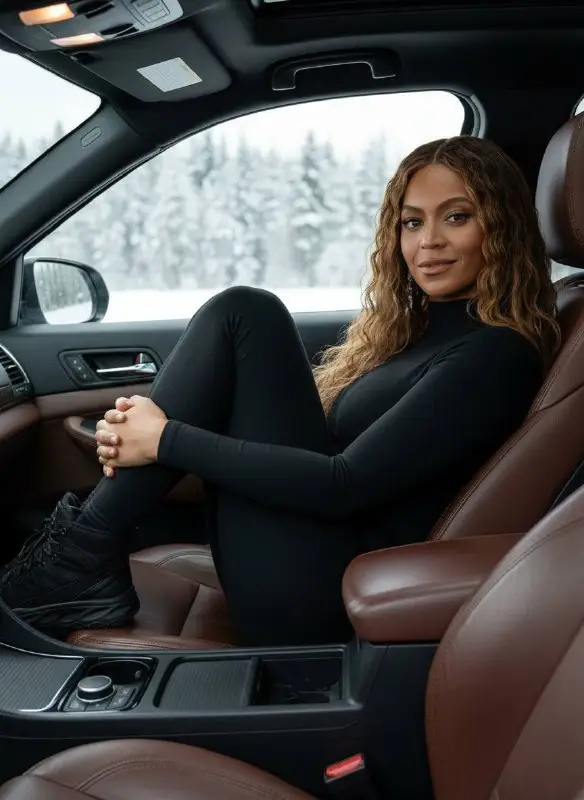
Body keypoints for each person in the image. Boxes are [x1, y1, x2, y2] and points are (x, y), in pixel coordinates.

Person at [0, 136, 560, 647]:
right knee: (242, 315)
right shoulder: (417, 331)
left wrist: (165, 439)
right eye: (411, 222)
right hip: (315, 551)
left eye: (456, 217)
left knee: (246, 313)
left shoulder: (495, 354)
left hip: (328, 591)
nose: (428, 241)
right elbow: (320, 445)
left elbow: (344, 484)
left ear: (501, 227)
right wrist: (149, 436)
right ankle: (78, 554)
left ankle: (75, 559)